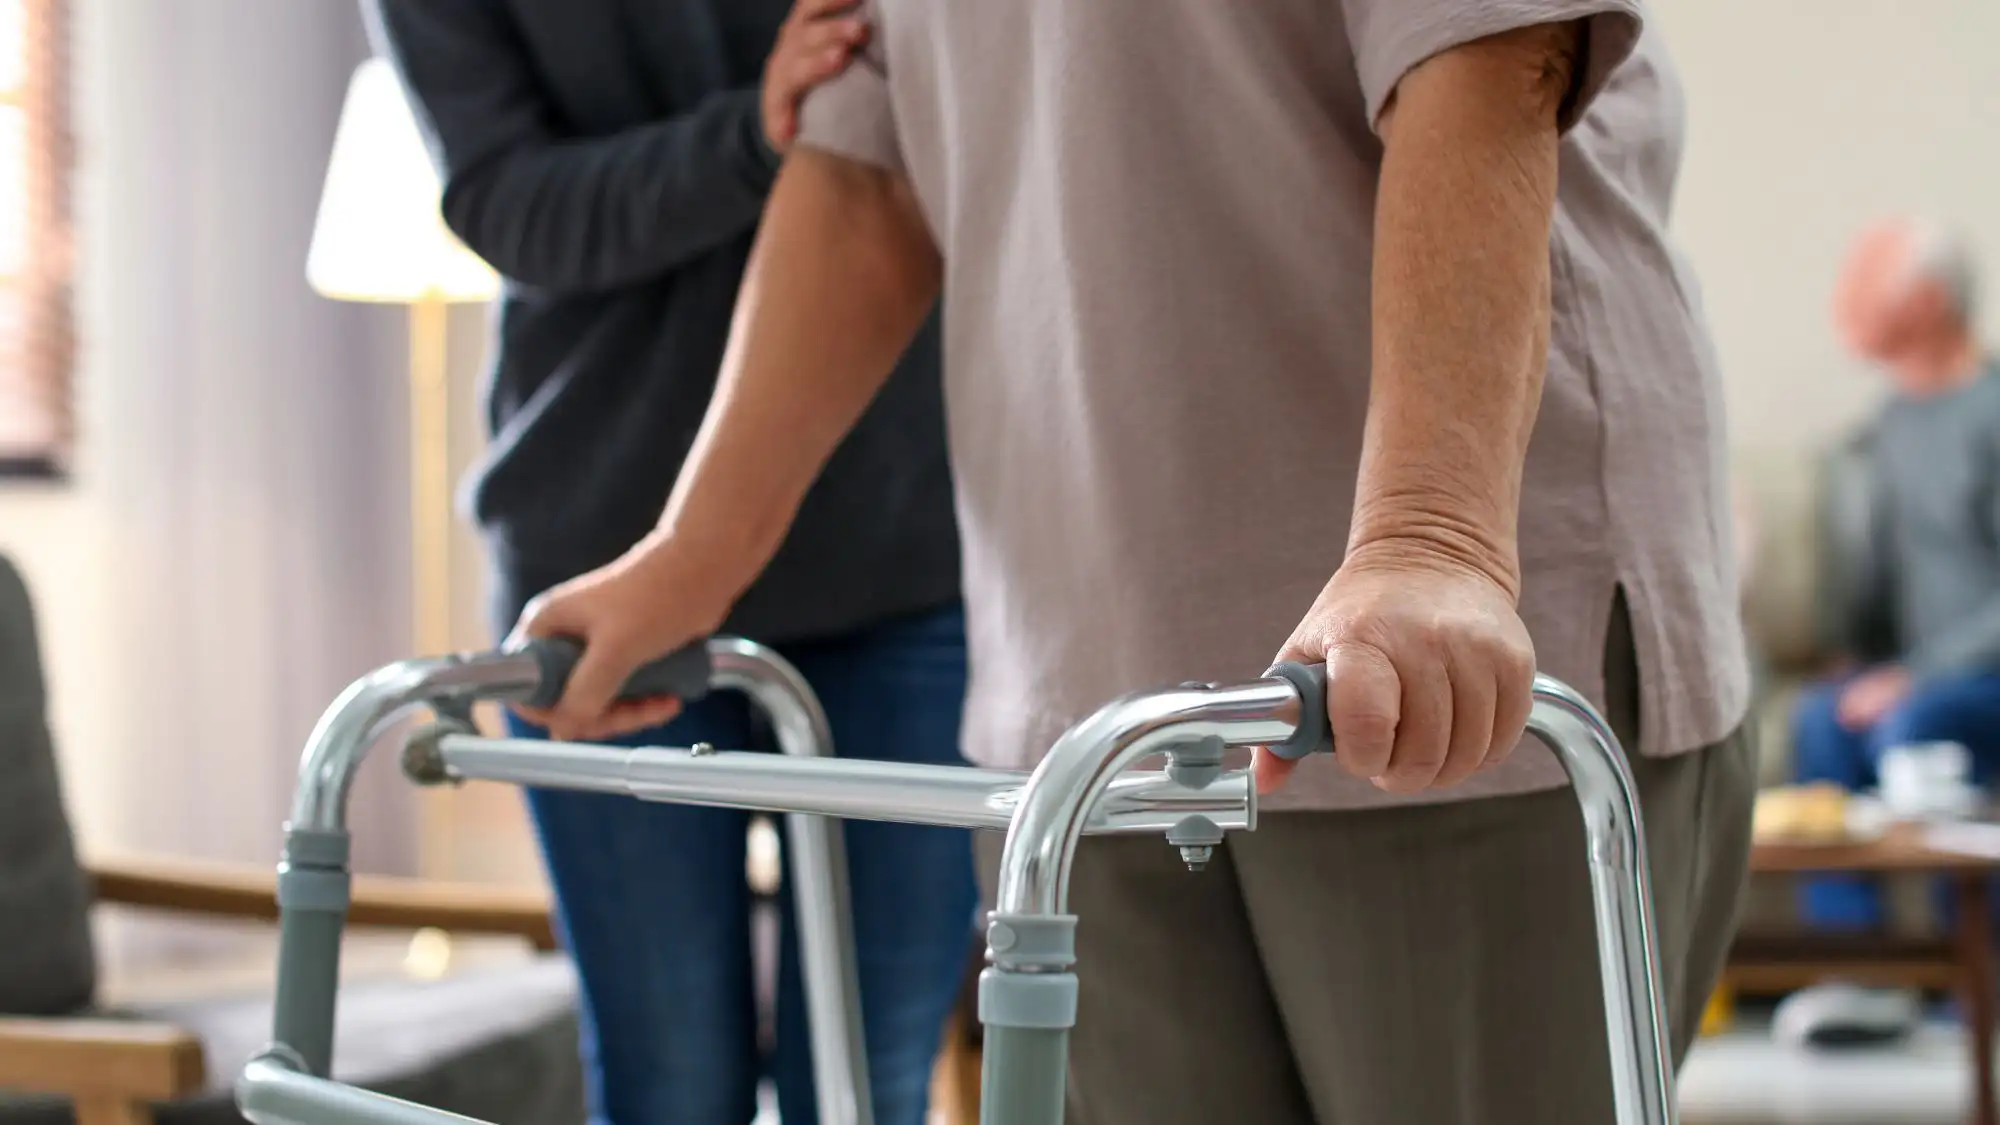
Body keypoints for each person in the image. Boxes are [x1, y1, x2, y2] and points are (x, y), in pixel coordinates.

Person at [515, 2, 1756, 1122]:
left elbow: (1485, 54)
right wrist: (691, 557)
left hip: (1427, 671)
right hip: (1083, 696)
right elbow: (868, 169)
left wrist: (1429, 532)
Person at [364, 2, 977, 1123]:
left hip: (904, 556)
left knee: (865, 1082)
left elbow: (928, 126)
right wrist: (757, 129)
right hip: (603, 563)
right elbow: (512, 206)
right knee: (666, 1083)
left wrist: (817, 126)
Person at [1774, 218, 1997, 1046]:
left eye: (1866, 283)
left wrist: (1919, 675)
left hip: (1978, 676)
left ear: (1929, 302)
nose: (1844, 302)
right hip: (1917, 672)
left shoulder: (1990, 414)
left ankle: (1975, 978)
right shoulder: (1890, 425)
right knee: (1819, 716)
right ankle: (1862, 971)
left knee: (1915, 725)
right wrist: (1862, 663)